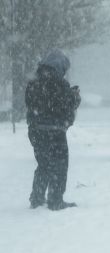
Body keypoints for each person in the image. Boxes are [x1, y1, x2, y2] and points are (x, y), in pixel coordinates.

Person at [25, 49, 81, 211]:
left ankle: (36, 198)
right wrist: (75, 96)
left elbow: (30, 104)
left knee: (43, 164)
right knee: (59, 165)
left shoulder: (33, 82)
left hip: (36, 130)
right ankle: (56, 200)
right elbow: (65, 106)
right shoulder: (60, 83)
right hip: (54, 131)